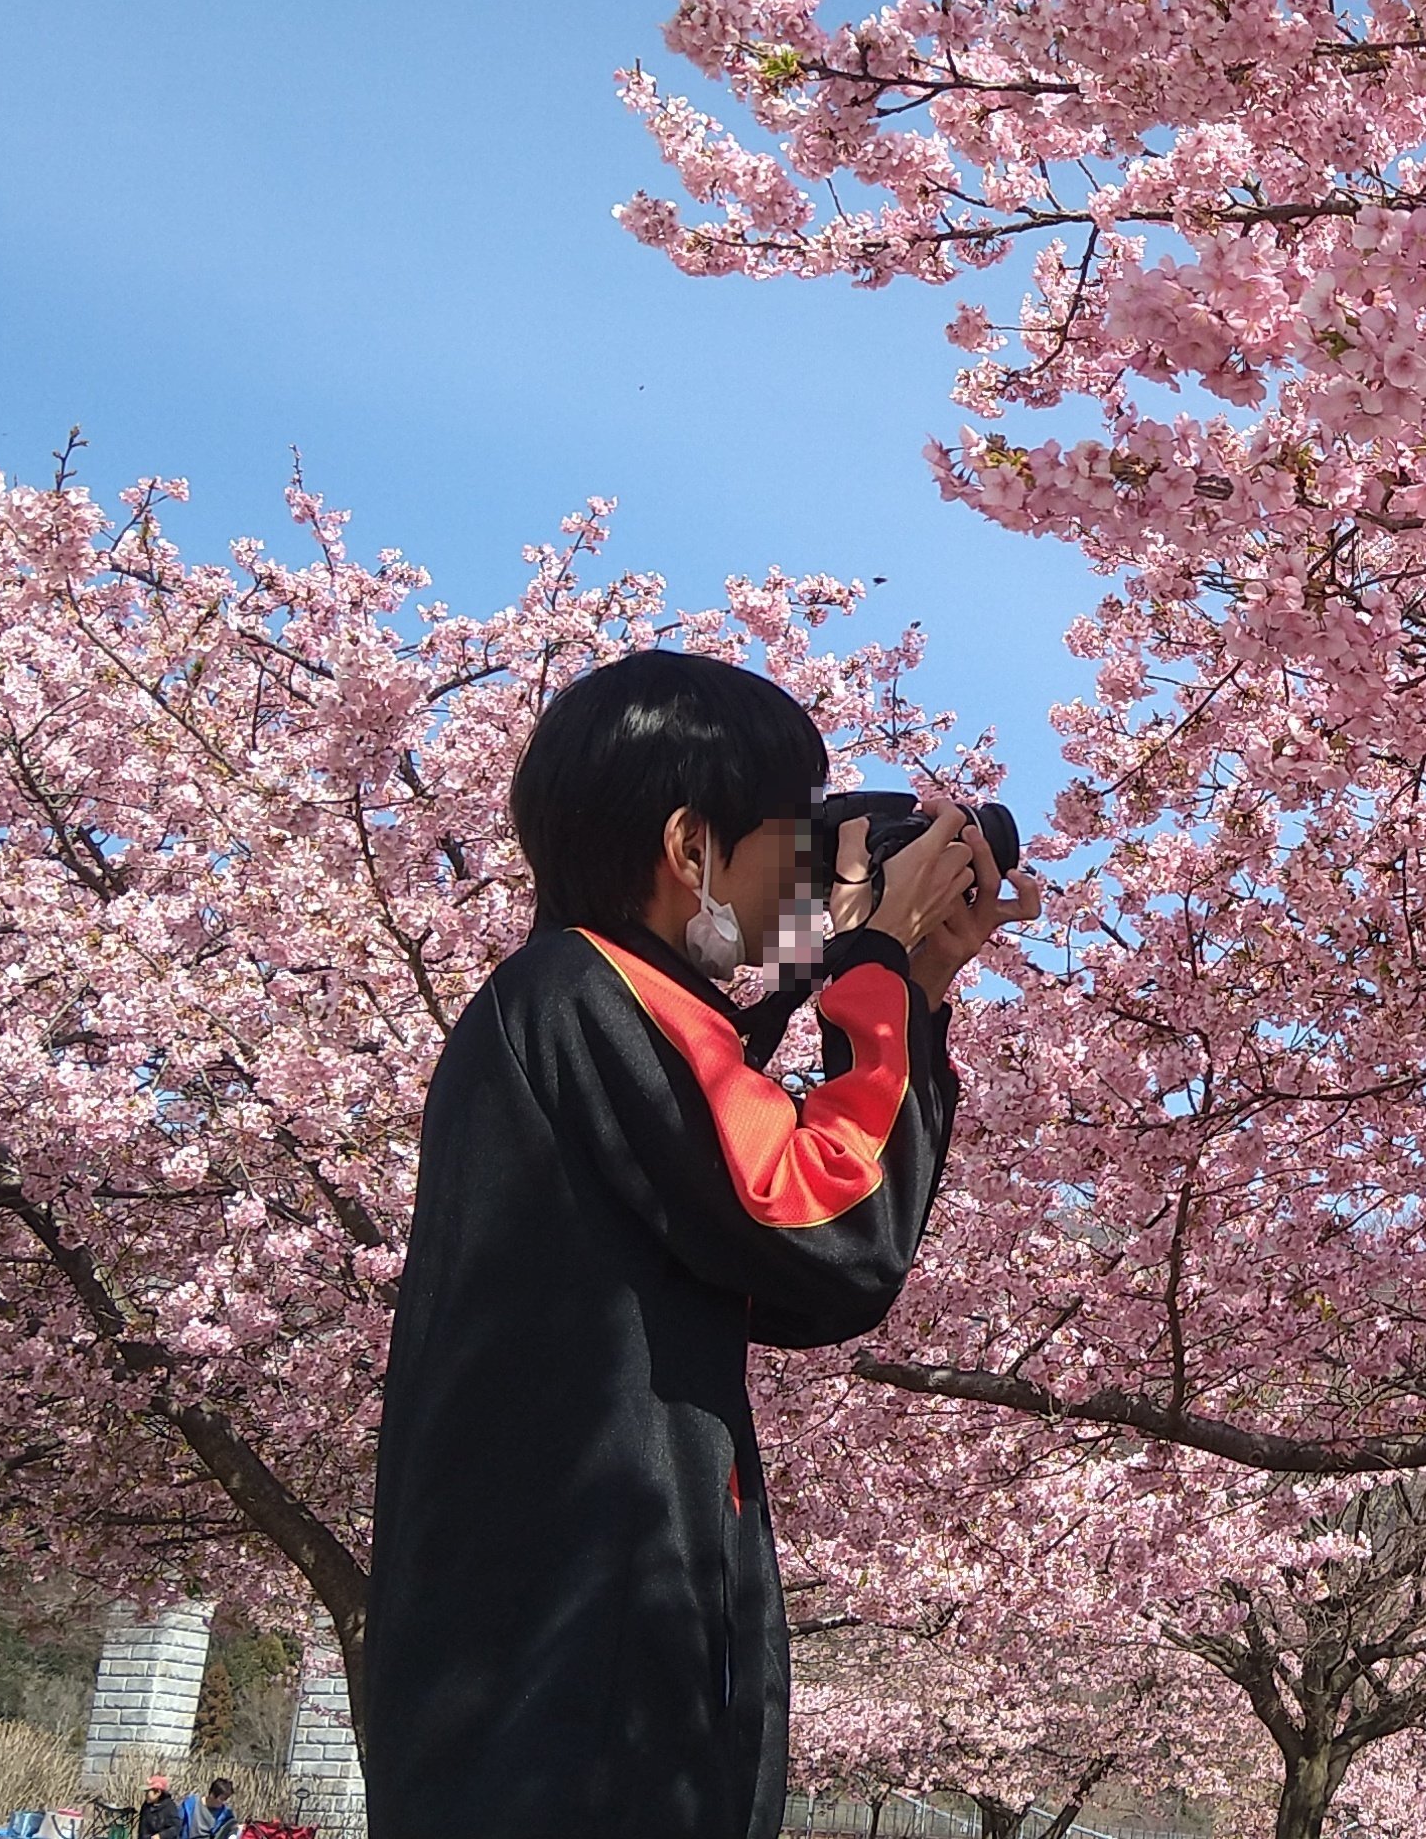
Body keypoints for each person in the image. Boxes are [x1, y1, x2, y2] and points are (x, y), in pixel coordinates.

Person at [363, 651, 1031, 1839]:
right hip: (573, 1686)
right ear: (688, 849)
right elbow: (833, 1229)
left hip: (573, 1657)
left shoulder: (584, 1001)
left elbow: (798, 1259)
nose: (816, 872)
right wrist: (873, 961)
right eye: (789, 838)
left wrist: (910, 975)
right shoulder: (585, 995)